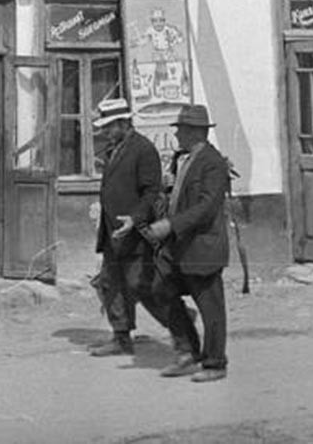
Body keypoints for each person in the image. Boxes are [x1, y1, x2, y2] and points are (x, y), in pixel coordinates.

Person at [87, 98, 182, 358]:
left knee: (142, 285)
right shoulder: (113, 149)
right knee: (110, 282)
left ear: (122, 123)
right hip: (111, 230)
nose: (105, 132)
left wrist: (134, 218)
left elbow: (151, 191)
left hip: (135, 231)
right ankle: (121, 336)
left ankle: (180, 323)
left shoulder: (143, 149)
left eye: (109, 126)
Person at [145, 104, 231, 383]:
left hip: (202, 245)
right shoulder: (183, 158)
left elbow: (206, 207)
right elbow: (179, 195)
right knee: (159, 289)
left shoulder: (213, 163)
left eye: (181, 129)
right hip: (179, 245)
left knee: (211, 308)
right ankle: (187, 352)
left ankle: (215, 363)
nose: (177, 134)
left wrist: (171, 224)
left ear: (195, 132)